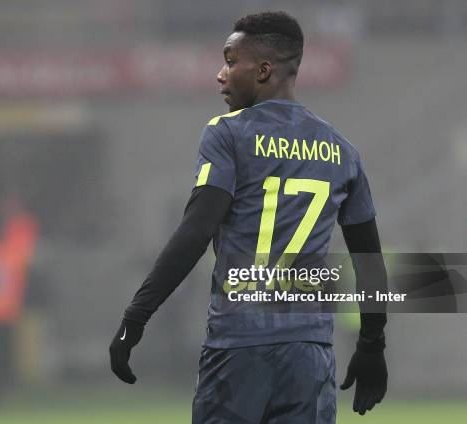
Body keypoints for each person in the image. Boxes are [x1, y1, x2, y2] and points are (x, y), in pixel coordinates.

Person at [110, 11, 388, 423]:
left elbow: (197, 230)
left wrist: (136, 315)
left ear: (262, 70)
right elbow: (369, 259)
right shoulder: (342, 151)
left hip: (240, 348)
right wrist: (371, 346)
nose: (220, 75)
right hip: (309, 356)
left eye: (229, 60)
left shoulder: (228, 134)